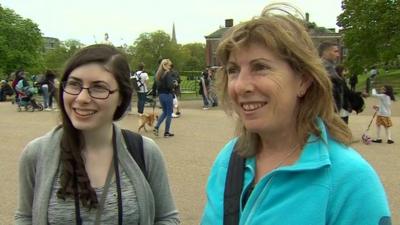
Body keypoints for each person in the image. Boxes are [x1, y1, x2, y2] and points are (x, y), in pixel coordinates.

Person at [201, 4, 391, 225]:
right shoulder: (229, 158)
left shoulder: (349, 179)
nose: (240, 86)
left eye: (260, 67)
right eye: (233, 70)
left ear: (303, 80)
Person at [15, 44, 180, 224]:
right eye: (74, 84)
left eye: (99, 87)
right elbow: (25, 218)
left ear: (122, 98)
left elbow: (166, 218)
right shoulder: (36, 154)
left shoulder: (145, 152)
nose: (82, 98)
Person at [318, 41, 344, 113]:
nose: (338, 55)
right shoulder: (325, 68)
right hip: (326, 110)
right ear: (325, 53)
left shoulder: (330, 67)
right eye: (335, 51)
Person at [153, 59, 176, 137]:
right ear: (165, 65)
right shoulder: (167, 73)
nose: (170, 67)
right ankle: (166, 132)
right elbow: (170, 85)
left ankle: (156, 126)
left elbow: (156, 85)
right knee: (169, 113)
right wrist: (174, 84)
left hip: (161, 95)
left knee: (165, 112)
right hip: (167, 94)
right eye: (169, 65)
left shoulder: (158, 74)